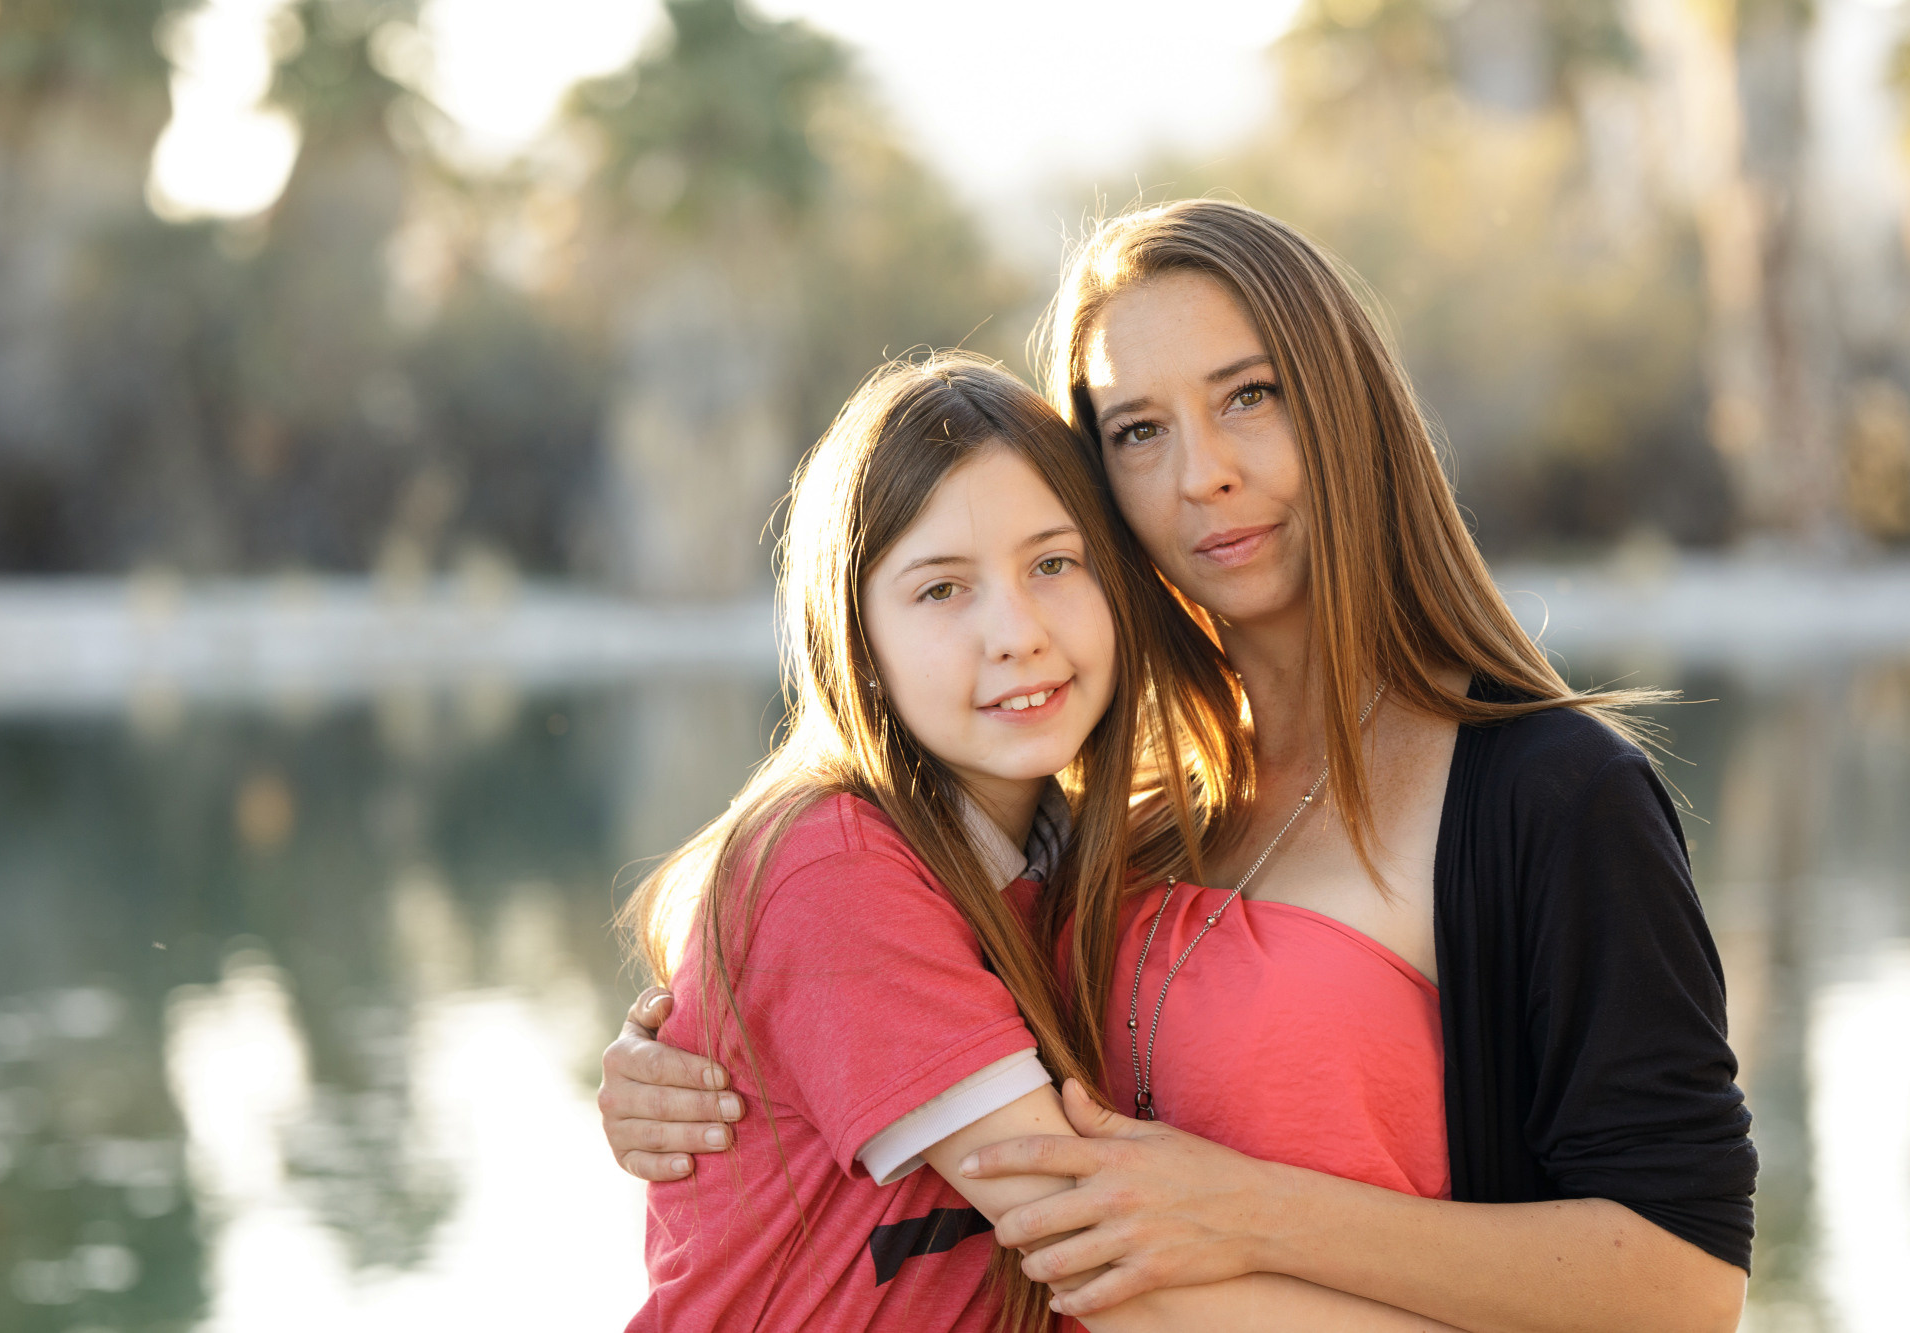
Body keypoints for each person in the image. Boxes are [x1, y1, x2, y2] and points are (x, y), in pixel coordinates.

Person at [603, 201, 1755, 1333]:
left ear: (1348, 410)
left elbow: (1685, 1286)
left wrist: (1250, 1212)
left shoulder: (1546, 794)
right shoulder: (1115, 812)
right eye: (1136, 431)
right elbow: (846, 976)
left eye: (1249, 397)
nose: (1201, 473)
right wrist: (693, 1060)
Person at [620, 352, 1453, 1331]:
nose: (1013, 631)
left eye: (1053, 563)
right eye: (940, 590)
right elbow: (1109, 1264)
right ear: (857, 634)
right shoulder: (823, 863)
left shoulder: (1075, 856)